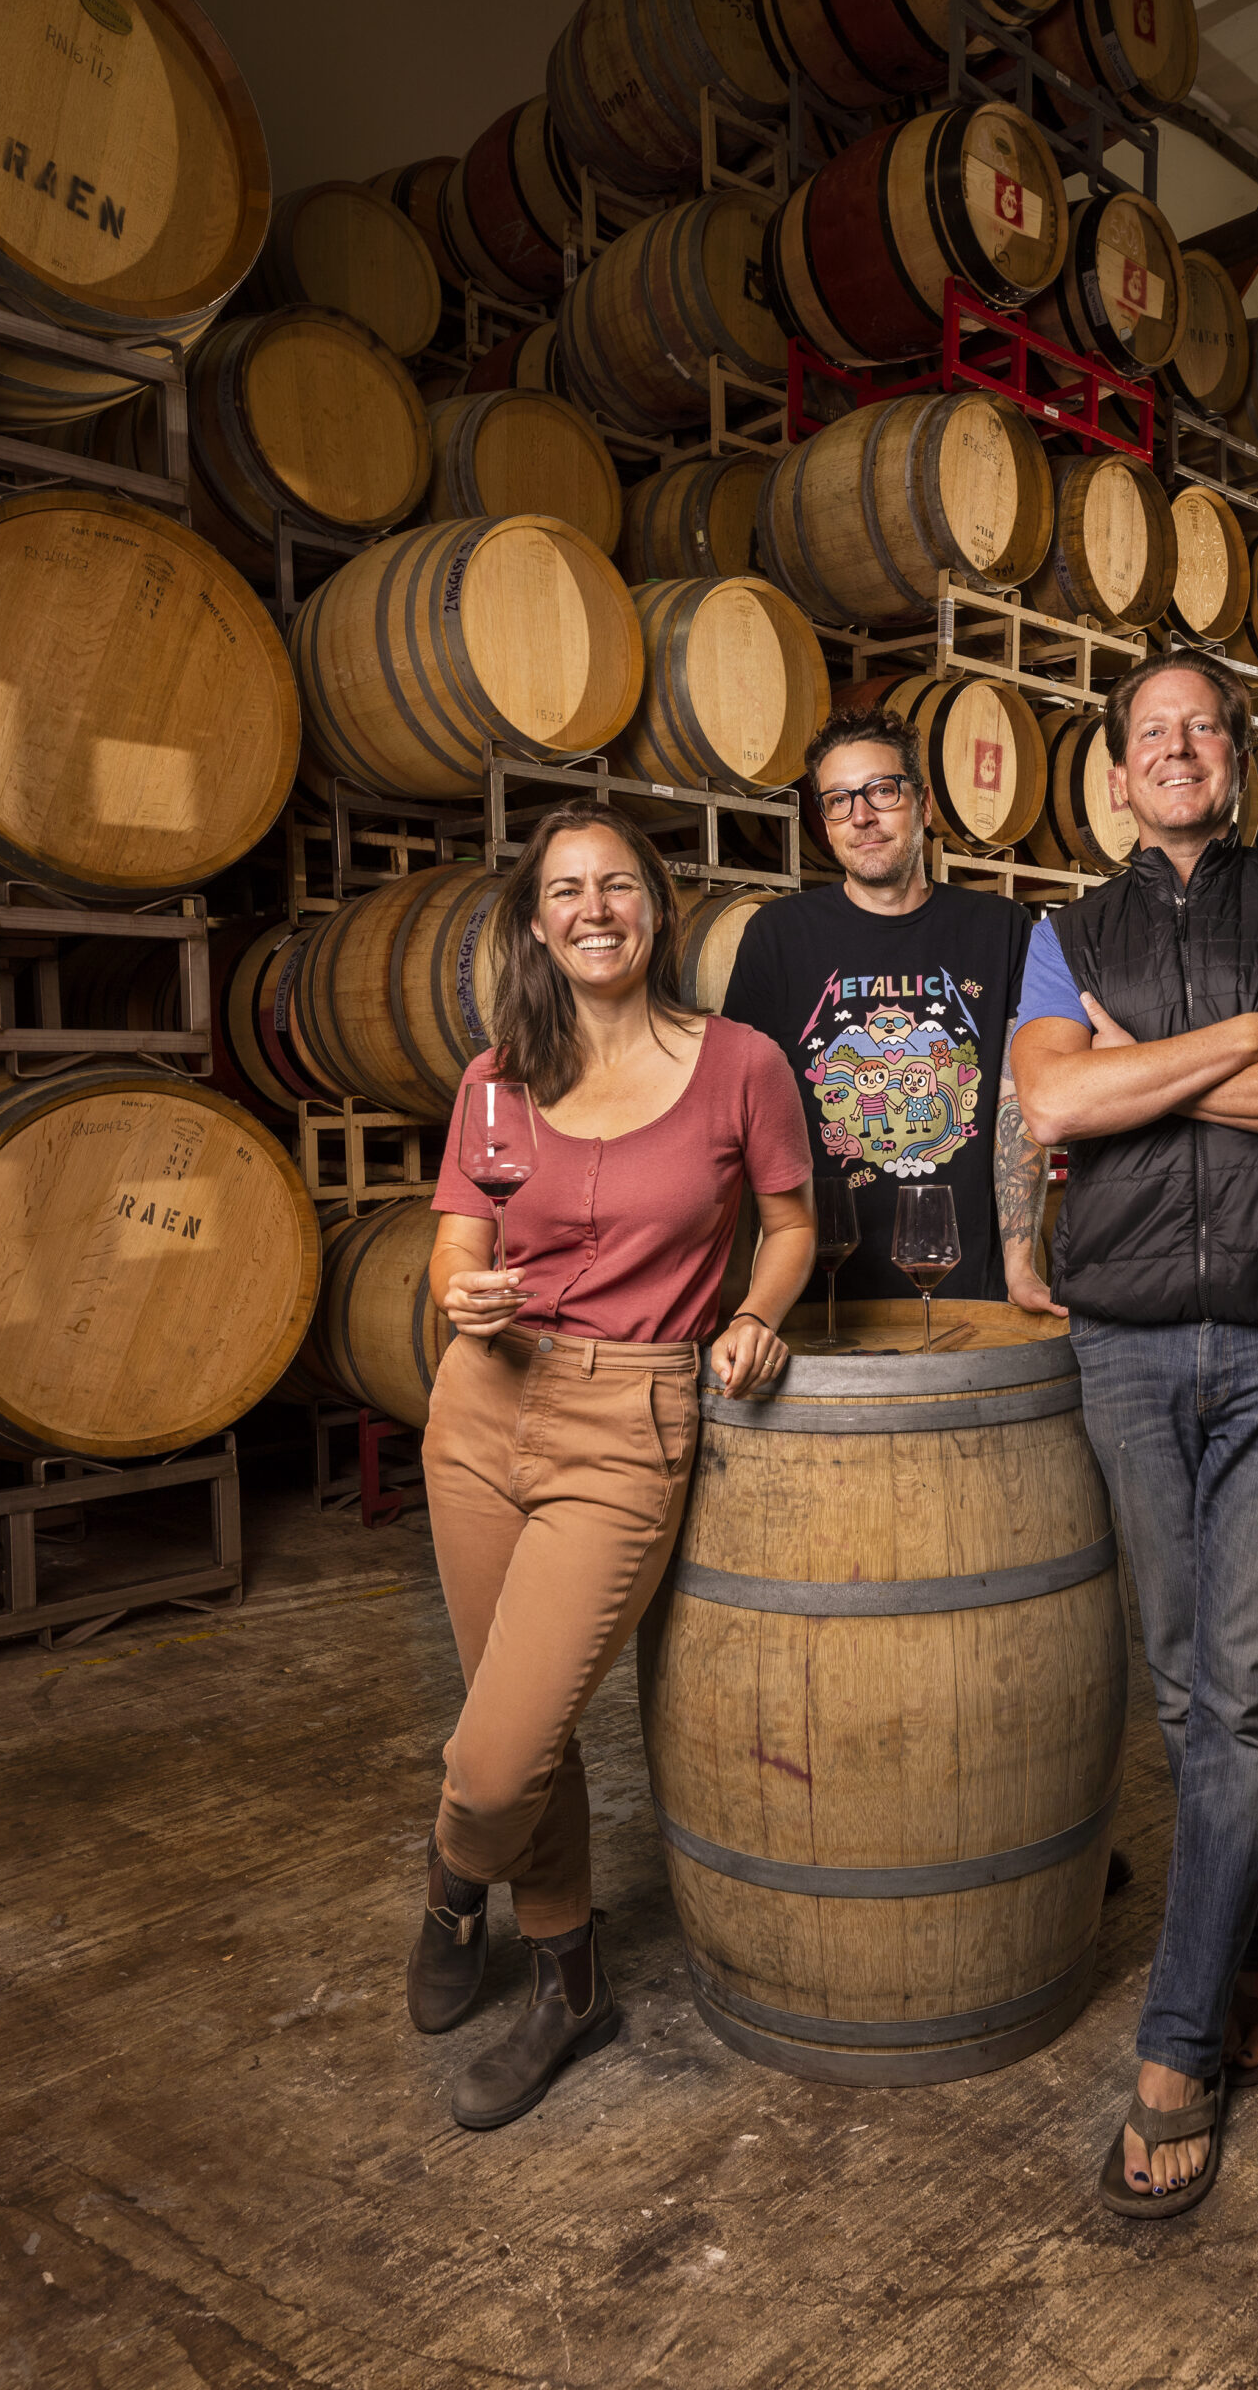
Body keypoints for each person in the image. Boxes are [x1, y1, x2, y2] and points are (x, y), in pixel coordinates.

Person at [1011, 652, 1258, 2218]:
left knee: (1244, 1702)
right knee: (1186, 1698)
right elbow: (1052, 1112)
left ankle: (1176, 2052)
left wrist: (1141, 1071)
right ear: (1112, 777)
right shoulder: (1063, 931)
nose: (1177, 750)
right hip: (1126, 1351)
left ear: (1238, 760)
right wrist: (1248, 1041)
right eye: (1148, 734)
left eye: (1202, 729)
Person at [411, 798, 816, 2131]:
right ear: (536, 923)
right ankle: (572, 1983)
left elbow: (790, 1225)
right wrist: (463, 1292)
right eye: (565, 891)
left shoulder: (740, 1063)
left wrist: (756, 1313)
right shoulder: (494, 1075)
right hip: (479, 1414)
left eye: (619, 886)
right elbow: (454, 1243)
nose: (594, 910)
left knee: (492, 1763)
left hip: (627, 1426)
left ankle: (451, 1877)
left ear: (656, 906)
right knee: (526, 1731)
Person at [722, 704, 1061, 1318]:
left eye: (882, 790)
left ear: (924, 806)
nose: (862, 817)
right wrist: (747, 1300)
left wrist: (1019, 1267)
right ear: (825, 822)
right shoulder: (777, 936)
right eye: (838, 799)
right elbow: (740, 1126)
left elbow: (1019, 1101)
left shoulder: (1001, 928)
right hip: (816, 1291)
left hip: (968, 1287)